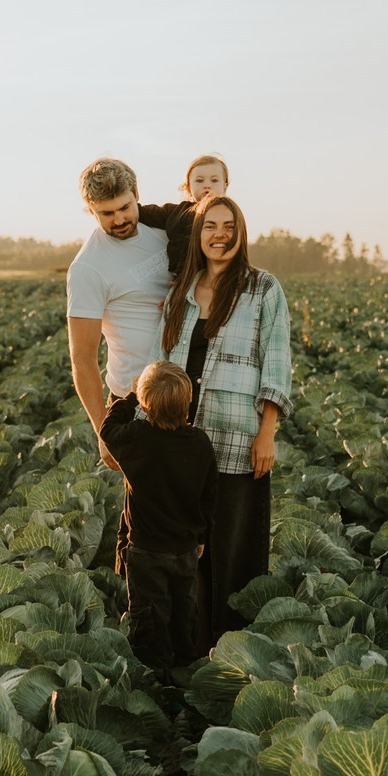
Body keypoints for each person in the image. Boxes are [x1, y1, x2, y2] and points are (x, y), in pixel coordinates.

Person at [160, 194, 291, 635]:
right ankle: (191, 645)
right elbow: (164, 364)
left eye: (229, 226)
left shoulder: (262, 288)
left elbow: (276, 362)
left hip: (237, 436)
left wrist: (267, 432)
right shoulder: (183, 289)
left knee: (233, 545)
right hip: (183, 438)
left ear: (241, 233)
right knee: (186, 547)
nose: (220, 235)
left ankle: (233, 643)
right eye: (211, 226)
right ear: (199, 234)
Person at [100, 362, 217, 670]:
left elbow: (107, 430)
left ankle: (155, 679)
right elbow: (208, 497)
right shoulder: (200, 443)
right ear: (189, 403)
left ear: (145, 404)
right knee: (183, 614)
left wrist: (128, 396)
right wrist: (201, 537)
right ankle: (184, 675)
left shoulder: (138, 438)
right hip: (186, 550)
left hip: (145, 551)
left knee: (149, 618)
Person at [66, 157, 172, 477]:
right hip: (135, 403)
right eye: (107, 213)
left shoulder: (166, 230)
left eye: (125, 207)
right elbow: (83, 358)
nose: (120, 219)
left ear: (136, 193)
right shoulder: (88, 267)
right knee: (148, 511)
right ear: (91, 211)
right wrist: (104, 431)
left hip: (186, 389)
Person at [139, 153, 231, 275]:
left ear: (225, 186)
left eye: (214, 180)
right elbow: (145, 213)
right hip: (181, 280)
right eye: (199, 180)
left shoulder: (230, 215)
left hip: (215, 279)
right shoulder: (177, 212)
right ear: (188, 187)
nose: (207, 185)